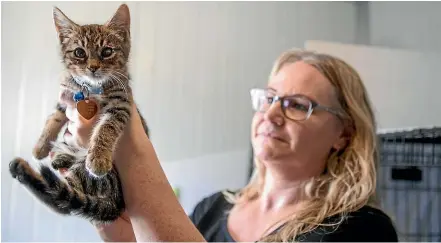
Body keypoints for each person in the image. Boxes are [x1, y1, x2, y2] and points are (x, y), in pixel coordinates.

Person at [59, 49, 399, 242]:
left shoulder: (362, 229)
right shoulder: (213, 208)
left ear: (344, 133)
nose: (272, 114)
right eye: (269, 98)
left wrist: (130, 149)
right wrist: (103, 211)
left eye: (297, 104)